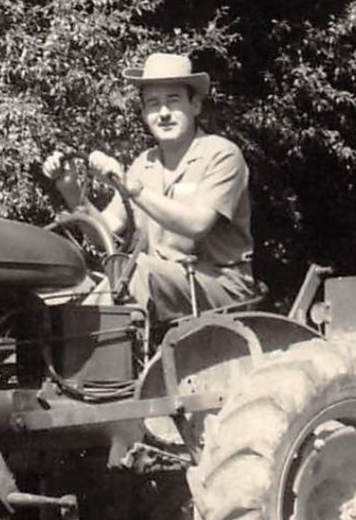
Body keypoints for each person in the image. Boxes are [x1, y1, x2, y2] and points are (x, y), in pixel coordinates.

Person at [44, 52, 257, 321]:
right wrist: (72, 192)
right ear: (144, 113)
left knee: (135, 270)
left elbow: (197, 224)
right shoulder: (144, 164)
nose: (164, 113)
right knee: (69, 285)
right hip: (161, 283)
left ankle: (80, 355)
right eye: (153, 104)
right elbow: (105, 232)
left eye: (173, 101)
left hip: (221, 288)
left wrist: (132, 188)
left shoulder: (222, 154)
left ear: (196, 106)